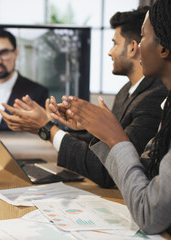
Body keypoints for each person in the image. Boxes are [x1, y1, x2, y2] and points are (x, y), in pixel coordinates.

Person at [0, 7, 167, 187]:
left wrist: (47, 129)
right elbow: (105, 148)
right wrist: (61, 125)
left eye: (115, 43)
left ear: (133, 47)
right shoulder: (126, 91)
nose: (110, 52)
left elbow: (111, 170)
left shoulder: (155, 97)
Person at [54, 0, 171, 234]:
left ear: (164, 48)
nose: (139, 47)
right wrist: (95, 128)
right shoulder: (160, 102)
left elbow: (150, 214)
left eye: (144, 37)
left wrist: (117, 138)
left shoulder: (155, 98)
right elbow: (147, 169)